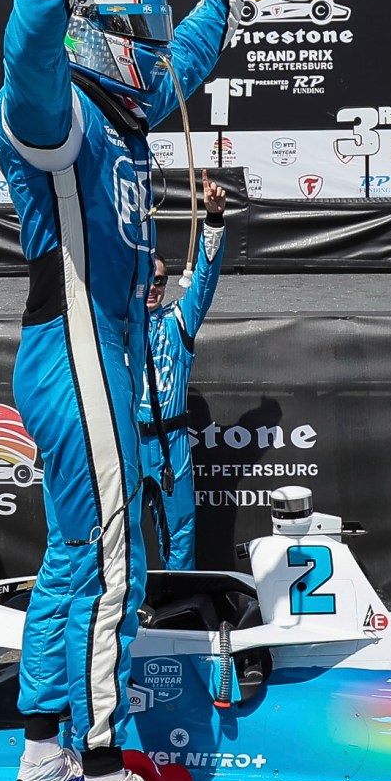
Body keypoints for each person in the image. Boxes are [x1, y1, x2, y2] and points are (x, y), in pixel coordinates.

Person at [0, 0, 279, 781]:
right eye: (137, 26)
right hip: (74, 338)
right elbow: (25, 49)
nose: (154, 45)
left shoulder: (127, 112)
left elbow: (187, 59)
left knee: (73, 558)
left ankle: (42, 753)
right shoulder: (53, 115)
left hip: (85, 344)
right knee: (118, 562)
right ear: (100, 24)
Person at [137, 186, 228, 570]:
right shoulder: (115, 324)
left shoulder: (179, 321)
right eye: (147, 279)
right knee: (119, 535)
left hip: (173, 443)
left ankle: (181, 614)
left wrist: (214, 219)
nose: (154, 286)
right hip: (129, 441)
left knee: (180, 535)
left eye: (161, 280)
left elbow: (204, 283)